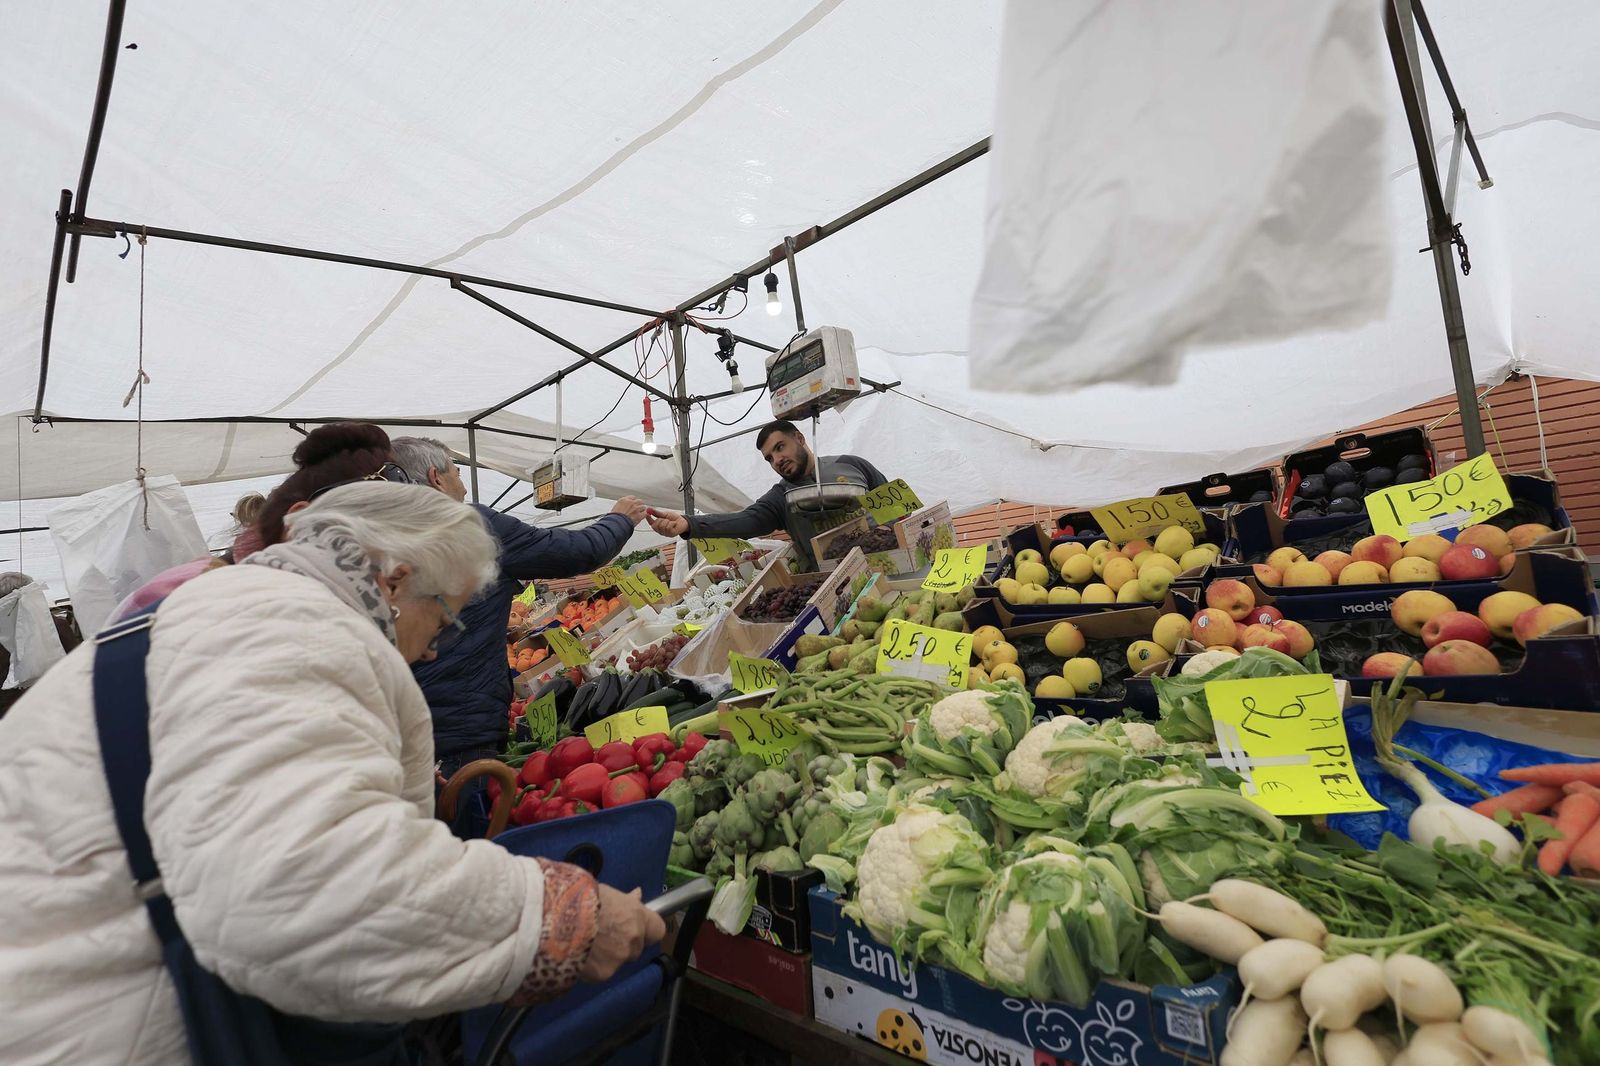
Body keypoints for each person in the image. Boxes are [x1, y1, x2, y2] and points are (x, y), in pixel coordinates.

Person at [0, 482, 665, 1064]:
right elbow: (308, 886)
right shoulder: (295, 630)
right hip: (95, 1028)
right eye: (444, 615)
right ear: (394, 581)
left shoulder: (223, 608)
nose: (435, 648)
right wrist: (558, 915)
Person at [389, 437, 646, 778]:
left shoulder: (381, 539)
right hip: (461, 726)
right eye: (457, 471)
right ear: (437, 478)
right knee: (465, 805)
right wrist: (619, 519)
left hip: (398, 726)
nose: (462, 484)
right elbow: (576, 552)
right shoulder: (467, 526)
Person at [108, 422, 408, 622]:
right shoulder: (184, 599)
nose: (385, 568)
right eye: (371, 542)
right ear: (297, 525)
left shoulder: (299, 594)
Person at [645, 419, 888, 571]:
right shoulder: (780, 497)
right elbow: (745, 520)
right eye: (769, 458)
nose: (777, 460)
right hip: (836, 582)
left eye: (780, 448)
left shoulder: (852, 465)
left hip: (887, 564)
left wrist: (893, 529)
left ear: (799, 438)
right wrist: (689, 524)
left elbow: (895, 503)